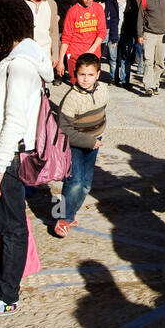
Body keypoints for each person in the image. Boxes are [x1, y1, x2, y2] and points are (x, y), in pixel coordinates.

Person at [0, 0, 51, 320]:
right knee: (6, 226)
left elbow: (14, 120)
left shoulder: (19, 65)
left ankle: (7, 296)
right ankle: (1, 286)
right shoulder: (19, 60)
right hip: (5, 156)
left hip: (8, 158)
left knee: (13, 228)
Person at [53, 53, 108, 237]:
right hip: (75, 145)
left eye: (90, 75)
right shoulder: (71, 98)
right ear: (75, 74)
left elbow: (101, 112)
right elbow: (64, 129)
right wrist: (89, 141)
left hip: (94, 143)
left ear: (98, 75)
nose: (86, 79)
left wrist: (98, 135)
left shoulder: (103, 90)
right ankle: (62, 217)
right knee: (73, 182)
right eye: (82, 75)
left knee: (85, 185)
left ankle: (71, 212)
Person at [58, 0, 107, 84]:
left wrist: (91, 50)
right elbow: (66, 37)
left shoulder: (98, 8)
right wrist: (60, 61)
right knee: (77, 85)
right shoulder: (73, 11)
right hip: (75, 54)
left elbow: (102, 32)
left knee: (91, 86)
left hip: (93, 54)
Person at [104, 0, 139, 87]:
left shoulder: (131, 1)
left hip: (127, 33)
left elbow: (135, 18)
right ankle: (113, 78)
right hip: (113, 32)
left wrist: (135, 34)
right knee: (112, 57)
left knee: (126, 57)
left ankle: (125, 80)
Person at [24, 0, 61, 68]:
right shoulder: (23, 2)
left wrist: (55, 55)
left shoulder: (51, 4)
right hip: (25, 52)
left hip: (45, 52)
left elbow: (54, 32)